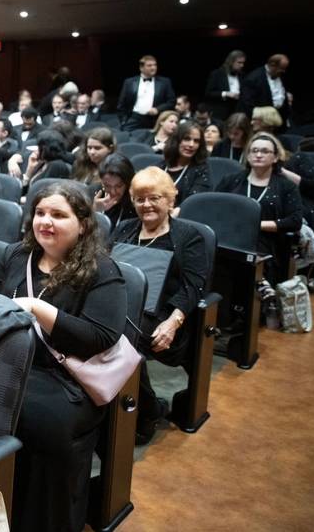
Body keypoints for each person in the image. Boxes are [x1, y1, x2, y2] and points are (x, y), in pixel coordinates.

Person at [0, 182, 126, 532]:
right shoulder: (16, 255)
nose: (45, 221)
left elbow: (99, 338)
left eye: (59, 215)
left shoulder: (102, 270)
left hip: (68, 379)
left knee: (39, 422)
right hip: (13, 364)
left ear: (83, 223)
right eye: (40, 213)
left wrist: (37, 308)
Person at [111, 168, 209, 445]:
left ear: (169, 200)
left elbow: (193, 286)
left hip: (164, 316)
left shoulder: (188, 236)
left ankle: (148, 410)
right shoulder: (124, 230)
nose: (147, 205)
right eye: (140, 199)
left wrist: (173, 322)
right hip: (125, 308)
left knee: (121, 339)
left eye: (154, 198)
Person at [215, 132, 303, 292]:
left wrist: (256, 225)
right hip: (229, 238)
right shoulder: (231, 180)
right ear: (247, 155)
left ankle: (262, 289)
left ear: (275, 158)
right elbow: (214, 209)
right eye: (254, 151)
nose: (258, 155)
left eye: (264, 151)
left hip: (266, 241)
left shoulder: (286, 187)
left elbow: (295, 220)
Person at [158, 121, 211, 208]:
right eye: (187, 139)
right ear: (176, 141)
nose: (191, 144)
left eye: (196, 141)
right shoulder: (162, 166)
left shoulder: (202, 170)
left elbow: (195, 203)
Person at [117, 55, 176, 131]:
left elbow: (172, 101)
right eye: (149, 65)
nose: (153, 68)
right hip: (134, 118)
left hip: (156, 120)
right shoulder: (129, 82)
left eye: (155, 65)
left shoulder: (165, 82)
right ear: (141, 68)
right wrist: (123, 121)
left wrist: (158, 109)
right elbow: (121, 104)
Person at [239, 54, 292, 126]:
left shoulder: (280, 75)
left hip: (279, 121)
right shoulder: (253, 79)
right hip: (263, 122)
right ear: (272, 65)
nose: (283, 71)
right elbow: (248, 105)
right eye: (281, 68)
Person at [94, 154, 138, 229]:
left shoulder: (136, 202)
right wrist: (95, 212)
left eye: (119, 186)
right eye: (107, 186)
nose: (113, 192)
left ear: (127, 184)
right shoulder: (94, 192)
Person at [204, 50, 246, 120]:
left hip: (236, 112)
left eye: (243, 63)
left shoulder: (242, 75)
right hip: (220, 113)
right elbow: (208, 93)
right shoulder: (217, 74)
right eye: (239, 63)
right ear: (231, 62)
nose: (242, 65)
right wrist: (226, 94)